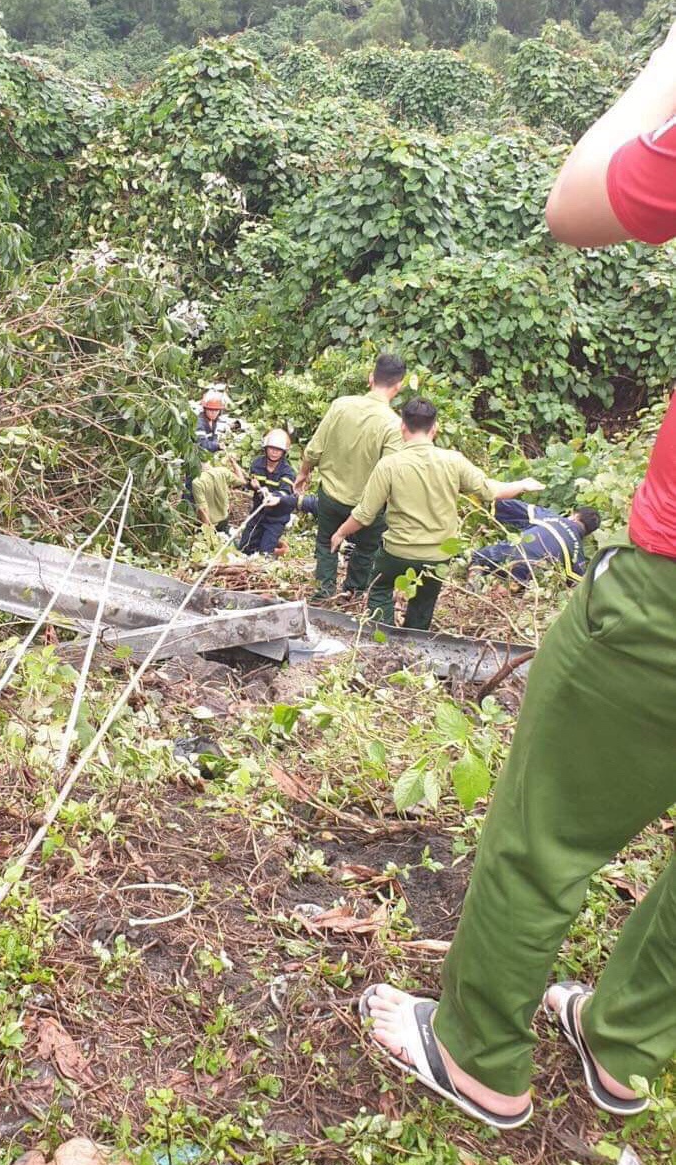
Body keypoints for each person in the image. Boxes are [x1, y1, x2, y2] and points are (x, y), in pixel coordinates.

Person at [359, 23, 676, 1133]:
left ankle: (477, 1051)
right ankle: (623, 1041)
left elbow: (574, 202)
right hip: (443, 559)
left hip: (665, 599)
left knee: (544, 830)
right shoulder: (454, 462)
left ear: (388, 400)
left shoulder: (392, 450)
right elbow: (492, 501)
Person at [330, 398, 544, 631]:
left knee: (380, 588)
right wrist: (522, 484)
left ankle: (384, 639)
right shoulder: (453, 461)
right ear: (435, 428)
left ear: (402, 427)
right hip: (439, 555)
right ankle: (415, 641)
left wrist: (340, 533)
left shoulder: (389, 465)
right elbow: (491, 491)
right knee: (424, 601)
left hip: (399, 551)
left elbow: (364, 515)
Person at [294, 353, 405, 600]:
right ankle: (353, 594)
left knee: (325, 543)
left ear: (370, 378)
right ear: (398, 386)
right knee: (365, 549)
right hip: (366, 506)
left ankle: (324, 592)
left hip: (331, 496)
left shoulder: (341, 406)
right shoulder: (393, 425)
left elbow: (314, 448)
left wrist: (303, 472)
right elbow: (390, 473)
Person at [471, 500, 601, 584]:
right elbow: (579, 583)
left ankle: (472, 584)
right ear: (587, 533)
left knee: (479, 557)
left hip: (508, 554)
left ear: (575, 515)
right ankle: (511, 588)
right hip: (530, 574)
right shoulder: (576, 551)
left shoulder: (548, 516)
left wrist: (491, 504)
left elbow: (509, 507)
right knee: (523, 583)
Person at [239, 429, 298, 555]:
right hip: (258, 512)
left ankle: (273, 548)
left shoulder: (287, 472)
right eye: (271, 448)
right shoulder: (257, 464)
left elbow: (285, 492)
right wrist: (252, 485)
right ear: (265, 448)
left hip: (277, 517)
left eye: (278, 450)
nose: (274, 452)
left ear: (284, 452)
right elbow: (249, 484)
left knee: (265, 552)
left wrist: (273, 496)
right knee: (244, 548)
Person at [190, 458, 245, 534]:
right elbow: (242, 481)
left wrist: (208, 532)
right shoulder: (222, 471)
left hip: (209, 523)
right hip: (224, 519)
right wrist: (234, 464)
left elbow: (203, 509)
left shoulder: (197, 482)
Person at [195, 388, 228, 454]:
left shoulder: (214, 421)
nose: (213, 413)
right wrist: (217, 446)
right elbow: (201, 444)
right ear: (205, 409)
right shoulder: (199, 422)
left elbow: (214, 436)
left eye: (216, 410)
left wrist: (218, 444)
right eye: (210, 410)